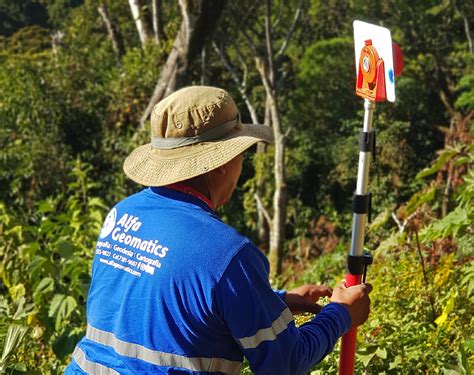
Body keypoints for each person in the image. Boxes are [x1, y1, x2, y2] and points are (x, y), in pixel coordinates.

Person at [66, 86, 371, 374]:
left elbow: (169, 297)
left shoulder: (123, 213)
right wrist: (341, 314)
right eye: (241, 155)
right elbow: (285, 363)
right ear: (223, 162)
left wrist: (273, 301)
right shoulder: (228, 255)